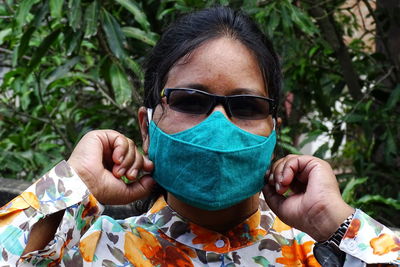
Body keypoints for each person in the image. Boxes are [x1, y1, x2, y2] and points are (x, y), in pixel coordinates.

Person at [0, 6, 399, 267]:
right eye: (191, 101)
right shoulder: (92, 252)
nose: (219, 127)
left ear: (273, 132)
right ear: (146, 127)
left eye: (245, 107)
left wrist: (330, 220)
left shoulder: (320, 253)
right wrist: (78, 181)